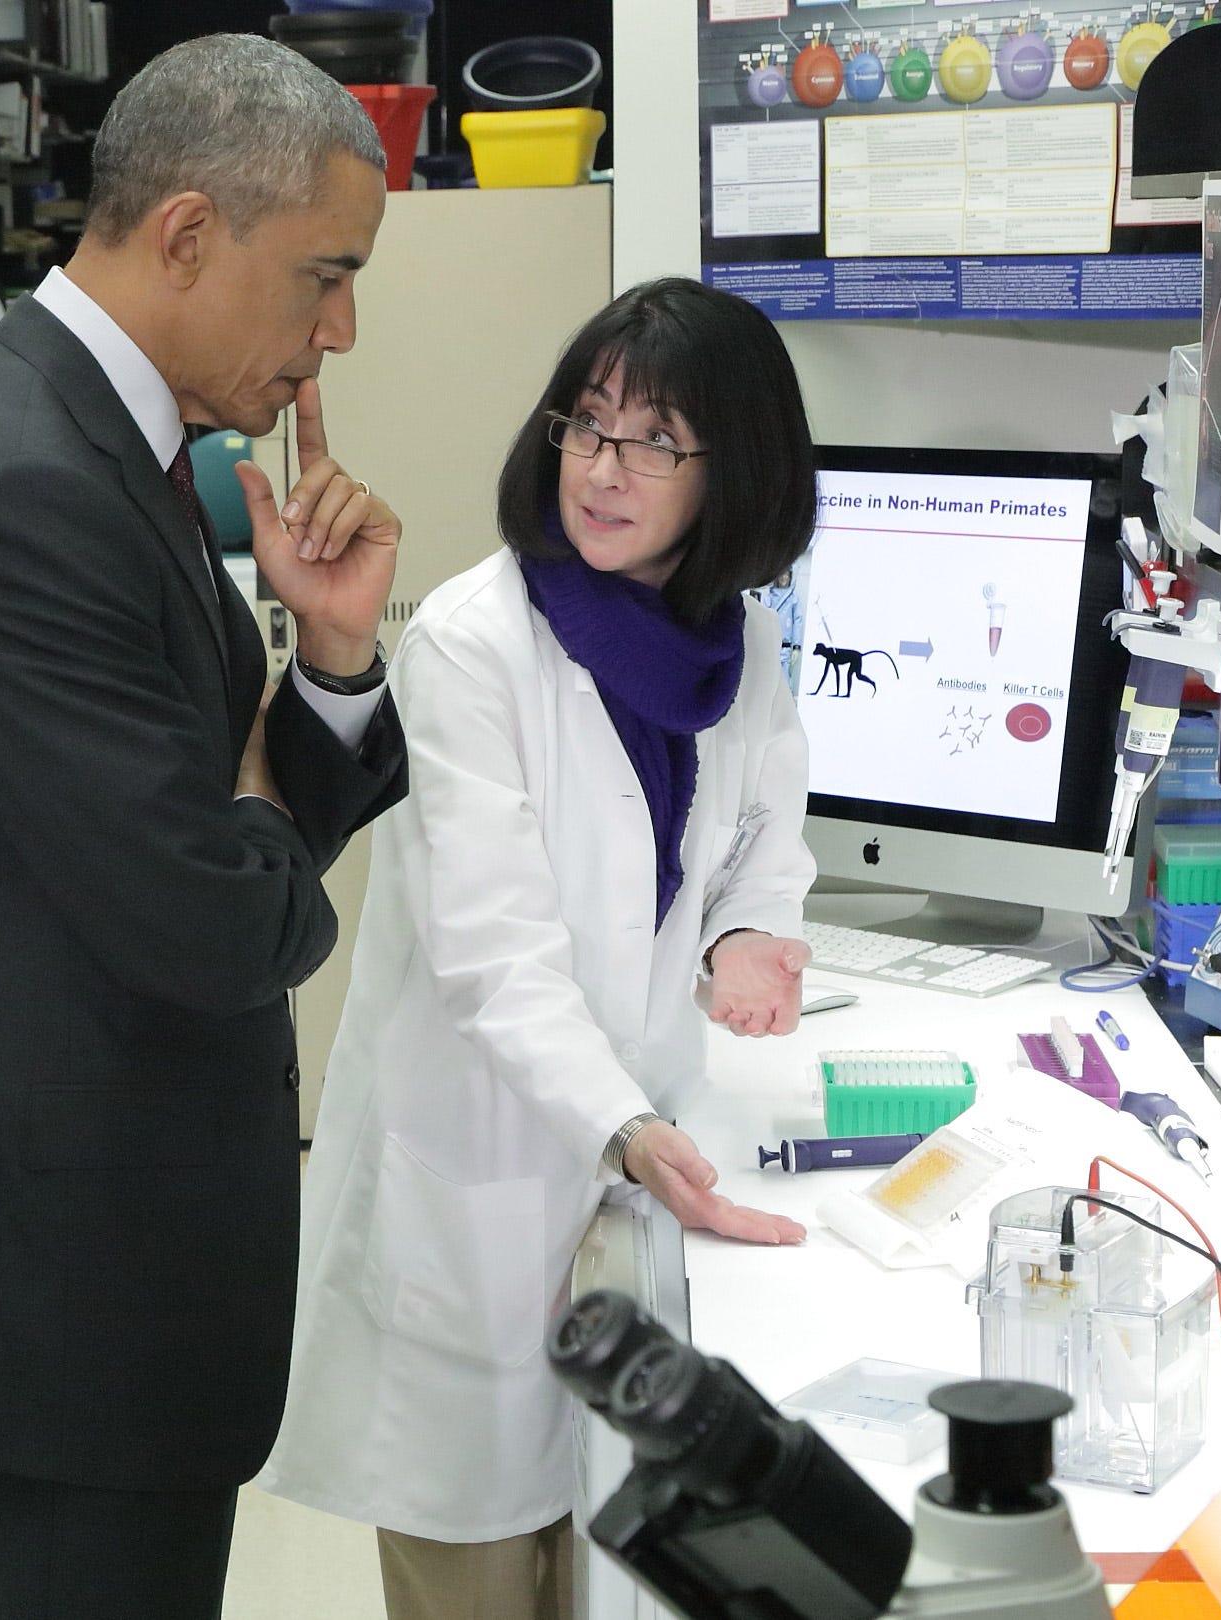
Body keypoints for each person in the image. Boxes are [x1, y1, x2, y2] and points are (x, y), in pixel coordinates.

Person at [0, 33, 410, 1620]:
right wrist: (236, 829)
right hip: (53, 1292)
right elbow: (213, 922)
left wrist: (330, 664)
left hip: (115, 1260)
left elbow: (221, 827)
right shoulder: (27, 485)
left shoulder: (121, 446)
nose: (336, 333)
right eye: (323, 277)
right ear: (185, 236)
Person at [258, 279, 819, 1620]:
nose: (601, 468)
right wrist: (622, 1124)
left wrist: (749, 934)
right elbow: (493, 958)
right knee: (474, 1581)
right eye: (585, 425)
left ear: (730, 468)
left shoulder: (730, 639)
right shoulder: (471, 644)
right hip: (475, 1175)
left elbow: (759, 832)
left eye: (650, 440)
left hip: (618, 1174)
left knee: (603, 1568)